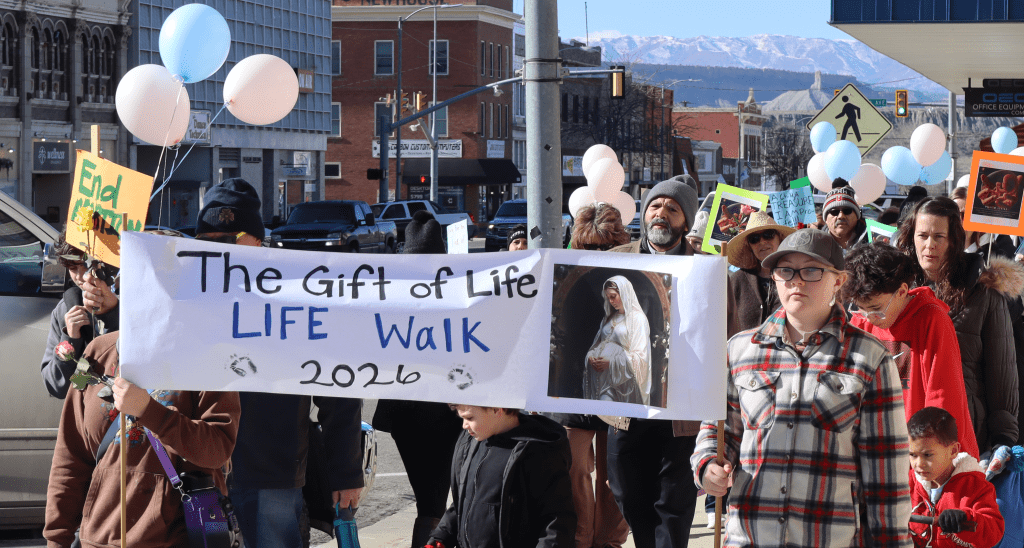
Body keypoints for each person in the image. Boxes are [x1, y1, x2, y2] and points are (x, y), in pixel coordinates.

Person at [693, 229, 912, 548]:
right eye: (785, 271)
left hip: (827, 538)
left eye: (811, 270)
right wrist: (709, 463)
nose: (796, 281)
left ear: (838, 280)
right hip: (750, 537)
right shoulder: (739, 350)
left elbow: (887, 478)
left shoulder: (871, 359)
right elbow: (718, 429)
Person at [195, 179, 364, 548]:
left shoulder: (297, 293)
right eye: (206, 239)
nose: (217, 248)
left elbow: (338, 387)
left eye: (228, 237)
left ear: (256, 240)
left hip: (271, 472)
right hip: (201, 472)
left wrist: (346, 470)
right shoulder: (189, 291)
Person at [44, 332, 240, 547]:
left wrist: (150, 411)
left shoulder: (209, 353)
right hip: (99, 540)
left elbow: (217, 450)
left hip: (179, 539)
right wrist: (56, 538)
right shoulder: (95, 352)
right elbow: (70, 458)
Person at [608, 174, 702, 548]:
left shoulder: (707, 270)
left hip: (680, 408)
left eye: (672, 209)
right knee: (627, 493)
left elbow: (725, 337)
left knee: (674, 505)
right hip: (626, 404)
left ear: (685, 221)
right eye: (655, 206)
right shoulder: (612, 262)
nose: (661, 213)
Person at [894, 197, 1020, 452]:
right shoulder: (895, 292)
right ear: (911, 237)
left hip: (964, 429)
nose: (929, 245)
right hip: (903, 426)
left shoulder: (983, 292)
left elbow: (1002, 369)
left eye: (938, 236)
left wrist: (1003, 438)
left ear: (954, 239)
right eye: (923, 235)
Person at [372, 210, 465, 548]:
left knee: (434, 503)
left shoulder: (392, 296)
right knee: (439, 501)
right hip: (427, 414)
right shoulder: (452, 296)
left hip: (424, 414)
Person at [843, 243, 979, 457]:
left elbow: (942, 397)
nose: (869, 317)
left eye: (877, 309)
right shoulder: (861, 321)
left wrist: (926, 455)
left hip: (925, 455)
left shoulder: (932, 319)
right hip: (878, 451)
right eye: (860, 308)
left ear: (902, 291)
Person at [561, 202, 630, 548]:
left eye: (606, 246)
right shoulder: (563, 274)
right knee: (573, 471)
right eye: (590, 246)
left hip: (617, 388)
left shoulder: (633, 276)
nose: (599, 252)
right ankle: (580, 538)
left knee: (614, 476)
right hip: (573, 387)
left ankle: (609, 542)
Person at [426, 405, 576, 548]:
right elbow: (463, 501)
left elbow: (556, 520)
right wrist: (441, 537)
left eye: (470, 418)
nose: (464, 425)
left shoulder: (538, 452)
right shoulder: (471, 442)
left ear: (497, 409)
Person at [907, 407, 1004, 548]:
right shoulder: (906, 484)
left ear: (953, 451)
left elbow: (993, 532)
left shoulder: (976, 487)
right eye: (913, 455)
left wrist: (965, 518)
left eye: (927, 455)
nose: (918, 464)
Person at [40, 231, 119, 399]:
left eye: (87, 265)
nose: (82, 276)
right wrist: (70, 339)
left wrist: (113, 313)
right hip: (85, 413)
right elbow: (57, 387)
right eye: (73, 268)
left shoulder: (129, 300)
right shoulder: (67, 309)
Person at [724, 210, 794, 338]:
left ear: (780, 238)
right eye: (754, 239)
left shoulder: (795, 276)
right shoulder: (737, 280)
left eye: (768, 235)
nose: (761, 242)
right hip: (744, 355)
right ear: (749, 246)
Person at [584, 276, 651, 405]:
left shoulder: (638, 319)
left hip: (621, 383)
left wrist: (611, 363)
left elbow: (641, 357)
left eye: (613, 296)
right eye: (608, 297)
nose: (610, 301)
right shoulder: (609, 318)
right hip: (601, 379)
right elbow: (598, 343)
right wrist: (591, 356)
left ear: (624, 293)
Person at [950, 186, 1016, 258]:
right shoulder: (942, 249)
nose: (960, 221)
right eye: (954, 215)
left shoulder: (998, 247)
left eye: (966, 215)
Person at [822, 178, 866, 250]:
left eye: (847, 211)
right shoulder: (815, 246)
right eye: (834, 212)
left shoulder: (873, 241)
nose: (841, 216)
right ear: (826, 219)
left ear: (857, 216)